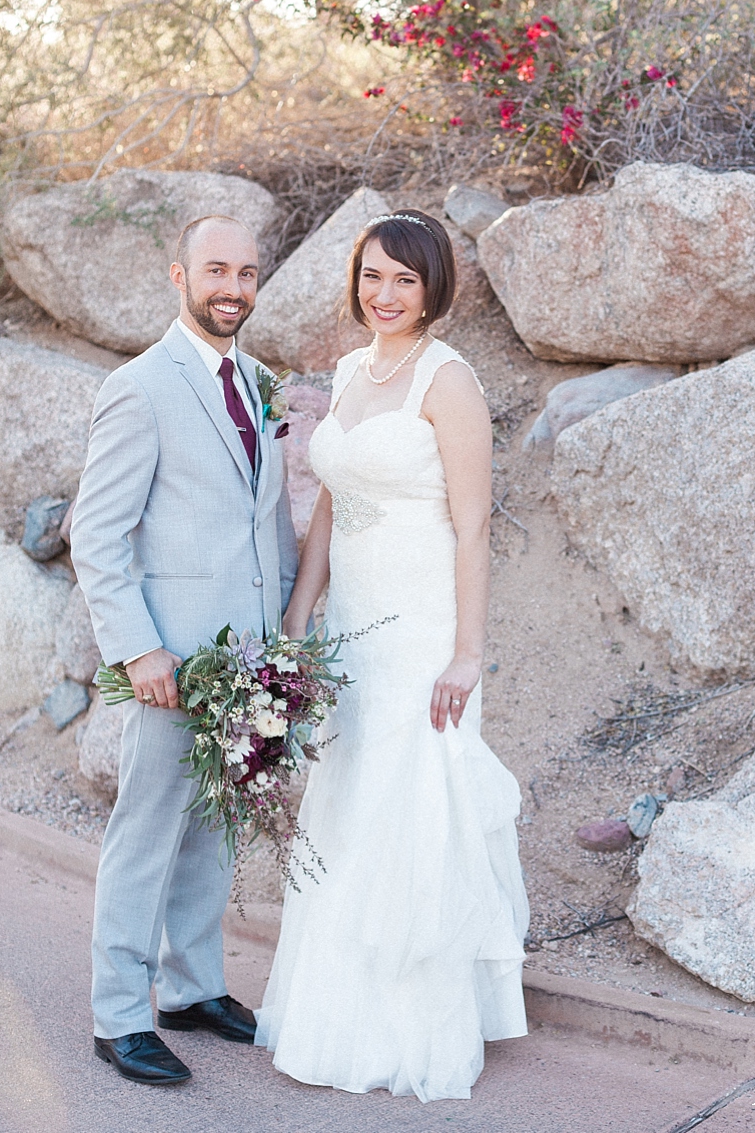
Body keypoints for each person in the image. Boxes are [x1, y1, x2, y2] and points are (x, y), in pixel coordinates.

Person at [255, 208, 529, 1102]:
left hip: (420, 626)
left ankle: (415, 1022)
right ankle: (334, 1005)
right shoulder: (348, 371)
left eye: (404, 280)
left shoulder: (448, 381)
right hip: (353, 625)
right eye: (373, 275)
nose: (384, 294)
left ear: (432, 288)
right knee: (346, 795)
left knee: (407, 799)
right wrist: (301, 610)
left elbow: (474, 522)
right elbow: (329, 499)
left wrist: (466, 653)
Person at [70, 214, 299, 1087]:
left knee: (214, 822)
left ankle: (192, 986)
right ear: (179, 275)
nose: (231, 287)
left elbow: (269, 522)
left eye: (245, 272)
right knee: (148, 828)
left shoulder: (262, 381)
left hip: (246, 659)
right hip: (168, 666)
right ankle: (119, 1014)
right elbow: (97, 534)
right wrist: (138, 654)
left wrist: (282, 647)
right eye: (215, 270)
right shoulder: (140, 385)